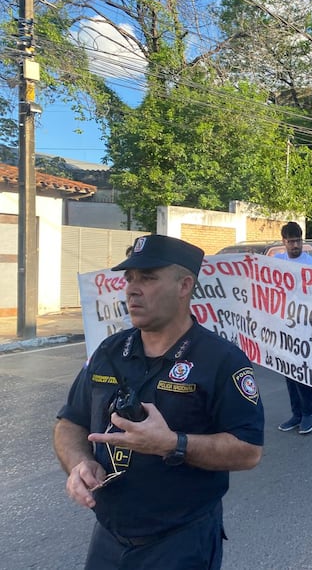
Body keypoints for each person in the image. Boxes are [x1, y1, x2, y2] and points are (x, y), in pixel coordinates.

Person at [53, 234, 264, 569]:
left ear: (184, 286)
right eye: (129, 279)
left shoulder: (222, 360)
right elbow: (70, 423)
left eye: (148, 278)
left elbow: (249, 451)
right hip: (109, 538)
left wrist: (172, 444)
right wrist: (78, 463)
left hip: (179, 542)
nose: (132, 289)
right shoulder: (108, 352)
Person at [275, 222, 312, 434]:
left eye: (298, 241)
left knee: (302, 371)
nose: (295, 245)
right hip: (283, 327)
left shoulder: (310, 263)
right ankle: (297, 413)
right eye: (291, 241)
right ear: (283, 242)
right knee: (288, 372)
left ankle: (309, 412)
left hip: (303, 326)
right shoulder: (276, 262)